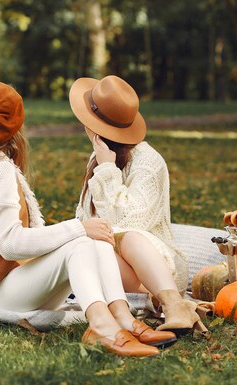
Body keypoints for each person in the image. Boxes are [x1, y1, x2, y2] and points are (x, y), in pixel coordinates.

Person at [0, 82, 177, 357]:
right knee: (81, 239)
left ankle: (122, 318)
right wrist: (77, 228)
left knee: (95, 238)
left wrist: (84, 230)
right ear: (17, 123)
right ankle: (101, 325)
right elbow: (8, 243)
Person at [69, 75, 206, 335]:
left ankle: (174, 304)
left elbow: (129, 223)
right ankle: (153, 304)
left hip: (155, 263)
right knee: (87, 247)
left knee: (129, 238)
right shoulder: (98, 157)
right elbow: (87, 216)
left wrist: (108, 169)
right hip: (116, 263)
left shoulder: (147, 162)